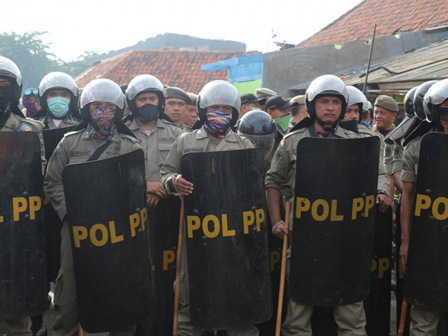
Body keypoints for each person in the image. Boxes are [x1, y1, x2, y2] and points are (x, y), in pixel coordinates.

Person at [265, 74, 389, 336]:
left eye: (335, 102)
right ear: (312, 106)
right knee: (298, 314)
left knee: (352, 313)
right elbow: (272, 181)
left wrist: (382, 191)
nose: (330, 107)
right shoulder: (293, 141)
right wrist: (277, 221)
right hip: (303, 238)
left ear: (343, 107)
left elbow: (379, 172)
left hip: (347, 237)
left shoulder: (357, 142)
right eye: (324, 102)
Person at [161, 80, 258, 336]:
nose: (220, 113)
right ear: (204, 110)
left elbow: (255, 185)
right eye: (214, 107)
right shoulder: (185, 141)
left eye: (225, 108)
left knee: (237, 288)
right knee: (190, 291)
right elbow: (166, 172)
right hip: (195, 229)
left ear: (234, 112)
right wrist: (173, 182)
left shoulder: (244, 145)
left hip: (233, 232)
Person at [44, 78, 140, 336]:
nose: (103, 111)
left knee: (119, 287)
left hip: (117, 229)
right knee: (69, 294)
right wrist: (71, 213)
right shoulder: (69, 143)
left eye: (109, 106)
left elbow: (135, 189)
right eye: (96, 105)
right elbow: (52, 181)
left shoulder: (130, 145)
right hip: (76, 228)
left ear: (118, 110)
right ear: (86, 108)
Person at [0, 56, 46, 336]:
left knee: (16, 315)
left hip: (16, 227)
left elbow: (37, 173)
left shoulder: (29, 129)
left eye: (5, 84)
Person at [401, 78, 448, 336]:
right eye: (445, 108)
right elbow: (407, 197)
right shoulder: (416, 148)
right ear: (433, 111)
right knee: (424, 314)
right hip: (427, 238)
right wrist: (407, 242)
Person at [124, 74, 183, 208]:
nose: (148, 103)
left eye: (152, 98)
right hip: (130, 206)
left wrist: (161, 189)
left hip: (169, 206)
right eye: (142, 99)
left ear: (159, 101)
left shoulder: (176, 133)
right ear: (133, 103)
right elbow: (114, 172)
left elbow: (182, 171)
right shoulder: (122, 133)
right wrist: (143, 186)